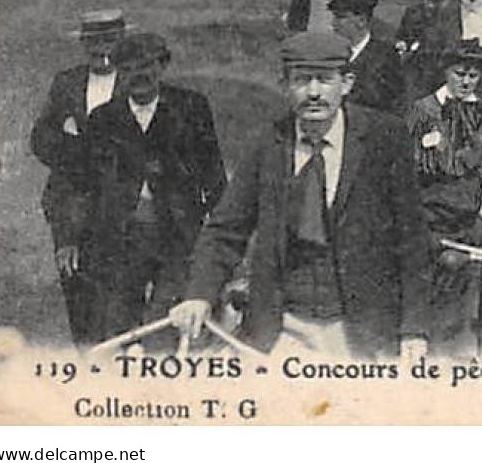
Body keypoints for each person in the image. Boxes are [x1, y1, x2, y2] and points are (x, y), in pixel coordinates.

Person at [169, 32, 432, 358]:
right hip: (283, 328)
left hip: (361, 331)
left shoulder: (384, 138)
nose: (313, 93)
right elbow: (226, 229)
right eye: (301, 81)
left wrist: (414, 328)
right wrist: (200, 295)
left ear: (347, 83)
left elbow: (412, 239)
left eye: (324, 80)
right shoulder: (267, 143)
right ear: (284, 84)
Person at [81, 32, 225, 343]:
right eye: (130, 68)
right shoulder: (104, 118)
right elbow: (90, 186)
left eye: (147, 65)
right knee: (118, 327)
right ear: (119, 71)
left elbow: (213, 172)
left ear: (163, 66)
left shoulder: (190, 107)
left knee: (166, 324)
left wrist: (217, 233)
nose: (140, 75)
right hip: (122, 238)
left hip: (177, 234)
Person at [407, 40, 482, 355]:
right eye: (459, 74)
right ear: (446, 72)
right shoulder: (425, 110)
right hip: (435, 212)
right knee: (439, 286)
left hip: (470, 211)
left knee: (475, 288)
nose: (466, 82)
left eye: (473, 76)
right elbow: (418, 162)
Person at [29, 9, 126, 345]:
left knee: (122, 304)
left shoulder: (136, 82)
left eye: (109, 41)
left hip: (124, 211)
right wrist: (75, 148)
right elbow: (41, 138)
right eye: (94, 42)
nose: (102, 50)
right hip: (72, 209)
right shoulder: (66, 83)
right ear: (84, 44)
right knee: (81, 303)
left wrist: (79, 140)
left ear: (123, 40)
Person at [332, 0, 405, 118]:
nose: (334, 24)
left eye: (341, 18)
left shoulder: (384, 56)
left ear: (361, 21)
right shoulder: (332, 54)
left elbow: (391, 102)